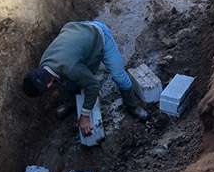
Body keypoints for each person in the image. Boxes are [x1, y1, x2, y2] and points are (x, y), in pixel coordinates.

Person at [21, 20, 150, 136]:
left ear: (48, 86)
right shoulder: (44, 64)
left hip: (100, 35)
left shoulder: (70, 67)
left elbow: (94, 86)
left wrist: (85, 116)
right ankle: (73, 103)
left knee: (119, 76)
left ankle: (132, 106)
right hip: (78, 34)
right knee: (70, 81)